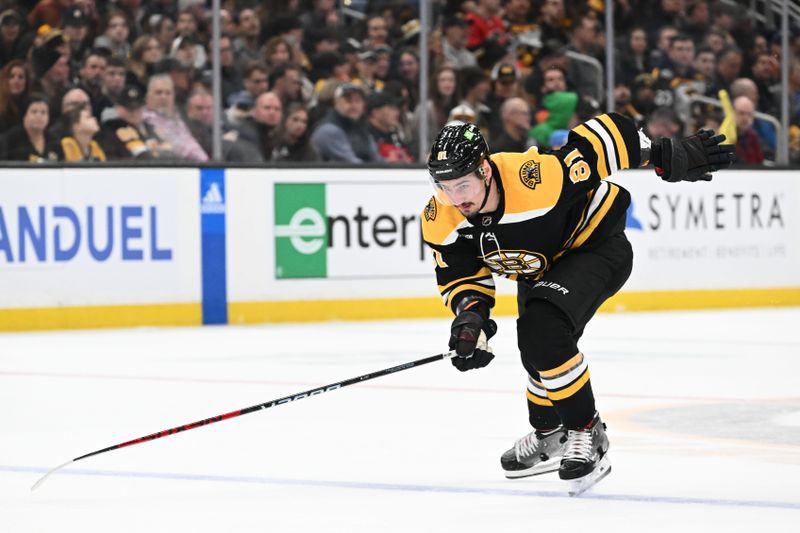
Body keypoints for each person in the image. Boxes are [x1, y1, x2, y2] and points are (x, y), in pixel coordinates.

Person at [420, 115, 734, 494]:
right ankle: (550, 433)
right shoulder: (441, 217)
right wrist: (470, 320)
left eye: (464, 184)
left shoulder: (533, 177)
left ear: (485, 169)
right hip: (541, 265)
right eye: (445, 186)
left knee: (543, 332)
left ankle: (586, 431)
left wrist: (664, 153)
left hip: (596, 246)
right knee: (536, 351)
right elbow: (462, 277)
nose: (457, 198)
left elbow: (600, 138)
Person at [0, 93, 58, 162]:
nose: (39, 116)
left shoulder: (54, 140)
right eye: (34, 112)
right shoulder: (9, 140)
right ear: (24, 116)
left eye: (43, 112)